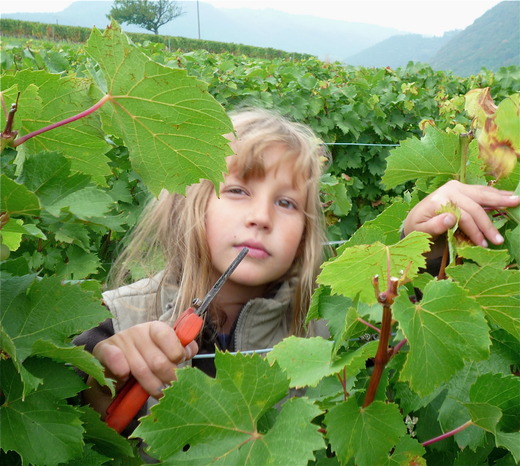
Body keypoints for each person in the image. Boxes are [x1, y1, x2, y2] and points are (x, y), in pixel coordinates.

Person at [76, 107, 520, 421]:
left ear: (306, 234)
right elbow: (66, 405)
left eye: (286, 202)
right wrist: (101, 377)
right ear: (189, 205)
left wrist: (420, 244)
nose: (262, 216)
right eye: (237, 191)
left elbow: (407, 314)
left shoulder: (327, 326)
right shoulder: (123, 316)